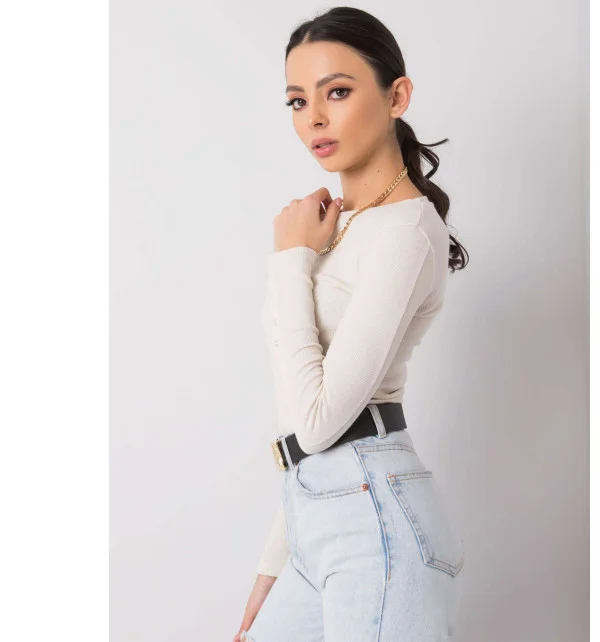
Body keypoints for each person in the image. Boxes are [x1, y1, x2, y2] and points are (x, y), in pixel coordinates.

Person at [234, 7, 469, 641]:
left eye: (336, 92)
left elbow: (319, 422)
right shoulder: (340, 229)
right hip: (320, 515)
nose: (313, 117)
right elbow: (307, 429)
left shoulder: (406, 231)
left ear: (397, 96)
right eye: (297, 101)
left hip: (376, 528)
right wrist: (273, 566)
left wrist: (291, 259)